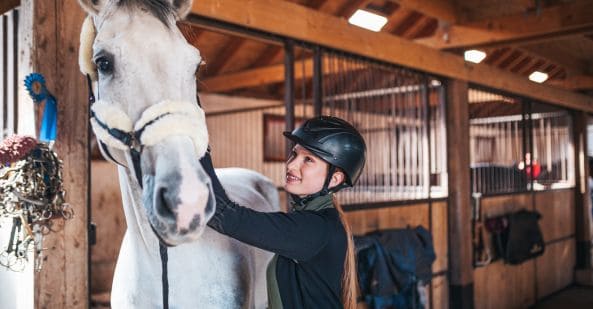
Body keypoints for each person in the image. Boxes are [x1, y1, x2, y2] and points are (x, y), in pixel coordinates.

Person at [200, 115, 366, 309]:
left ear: (335, 179)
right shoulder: (322, 222)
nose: (291, 165)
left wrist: (199, 146)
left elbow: (226, 216)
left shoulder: (314, 228)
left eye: (308, 160)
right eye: (294, 154)